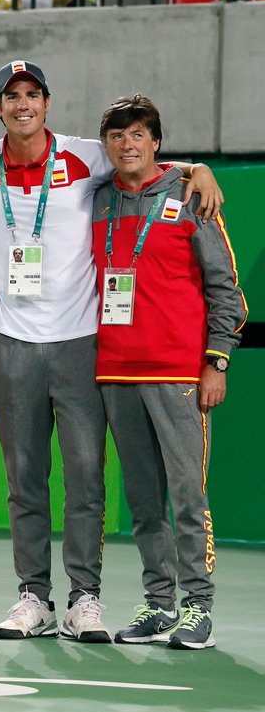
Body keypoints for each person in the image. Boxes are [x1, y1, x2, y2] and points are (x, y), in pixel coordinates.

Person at [0, 61, 223, 643]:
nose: (22, 104)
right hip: (10, 342)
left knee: (86, 479)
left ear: (48, 103)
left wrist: (198, 167)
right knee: (24, 478)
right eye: (11, 96)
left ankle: (85, 598)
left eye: (33, 94)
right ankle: (34, 596)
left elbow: (146, 165)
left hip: (82, 345)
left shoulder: (88, 156)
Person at [91, 95, 246, 650]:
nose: (127, 144)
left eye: (138, 134)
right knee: (143, 502)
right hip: (114, 375)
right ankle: (158, 604)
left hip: (179, 374)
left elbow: (227, 292)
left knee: (187, 497)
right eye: (116, 135)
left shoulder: (191, 196)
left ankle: (197, 608)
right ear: (105, 144)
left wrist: (216, 361)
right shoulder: (97, 198)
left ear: (155, 142)